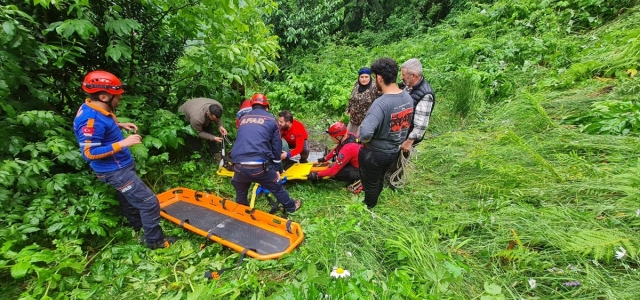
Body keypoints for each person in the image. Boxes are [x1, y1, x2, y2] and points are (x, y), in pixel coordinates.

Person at [73, 70, 177, 249]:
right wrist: (122, 143)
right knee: (149, 202)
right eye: (117, 97)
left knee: (127, 198)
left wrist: (119, 125)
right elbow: (89, 153)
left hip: (120, 166)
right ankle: (155, 240)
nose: (119, 100)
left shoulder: (95, 107)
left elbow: (104, 124)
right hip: (115, 170)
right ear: (105, 96)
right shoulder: (90, 120)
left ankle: (137, 227)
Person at [230, 93, 302, 213]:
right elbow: (276, 146)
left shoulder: (242, 119)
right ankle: (291, 206)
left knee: (241, 191)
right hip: (259, 167)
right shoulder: (271, 119)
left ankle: (242, 211)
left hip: (238, 166)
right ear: (267, 107)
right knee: (276, 187)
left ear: (252, 106)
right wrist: (275, 169)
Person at [359, 58, 414, 209]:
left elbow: (365, 134)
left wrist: (365, 140)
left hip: (374, 153)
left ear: (380, 78)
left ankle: (369, 208)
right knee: (380, 178)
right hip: (393, 151)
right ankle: (375, 200)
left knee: (369, 183)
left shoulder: (381, 103)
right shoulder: (407, 98)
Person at [386, 58, 436, 187]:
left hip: (408, 135)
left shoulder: (425, 95)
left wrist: (409, 141)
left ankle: (393, 184)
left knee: (399, 161)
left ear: (413, 75)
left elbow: (421, 124)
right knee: (391, 156)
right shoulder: (405, 86)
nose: (401, 78)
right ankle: (386, 178)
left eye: (404, 75)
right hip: (398, 131)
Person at [178, 98, 228, 163]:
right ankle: (200, 161)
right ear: (208, 113)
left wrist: (220, 126)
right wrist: (213, 138)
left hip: (198, 107)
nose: (215, 121)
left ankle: (218, 158)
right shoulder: (197, 118)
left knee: (211, 134)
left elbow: (217, 118)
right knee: (195, 139)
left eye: (216, 119)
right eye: (213, 119)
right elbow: (198, 132)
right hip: (185, 115)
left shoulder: (218, 107)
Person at [346, 67, 382, 135]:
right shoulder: (357, 84)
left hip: (366, 121)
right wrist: (348, 108)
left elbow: (381, 102)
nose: (364, 79)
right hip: (354, 119)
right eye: (362, 77)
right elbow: (352, 97)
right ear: (359, 77)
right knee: (350, 139)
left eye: (366, 77)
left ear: (370, 77)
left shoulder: (375, 87)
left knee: (360, 141)